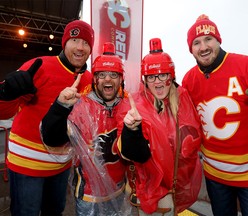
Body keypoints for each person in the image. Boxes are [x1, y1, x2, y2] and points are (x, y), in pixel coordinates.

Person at [182, 14, 248, 216]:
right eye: (196, 42)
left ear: (218, 40)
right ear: (191, 49)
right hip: (215, 177)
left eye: (208, 39)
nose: (203, 47)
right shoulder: (189, 80)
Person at [0, 20, 94, 216]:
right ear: (64, 43)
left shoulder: (89, 79)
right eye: (74, 40)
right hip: (27, 165)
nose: (80, 47)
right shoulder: (40, 65)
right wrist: (6, 93)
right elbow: (4, 112)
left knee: (55, 211)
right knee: (26, 213)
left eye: (86, 43)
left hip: (61, 166)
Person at [40, 42, 132, 216]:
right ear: (95, 78)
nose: (107, 80)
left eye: (114, 75)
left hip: (119, 191)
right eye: (101, 74)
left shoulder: (127, 106)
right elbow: (51, 139)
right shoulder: (81, 106)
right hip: (88, 196)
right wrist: (60, 107)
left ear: (121, 79)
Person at [116, 38, 203, 215]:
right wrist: (132, 130)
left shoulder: (182, 99)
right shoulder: (133, 105)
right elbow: (128, 152)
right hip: (147, 190)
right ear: (145, 79)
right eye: (152, 77)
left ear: (171, 76)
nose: (158, 82)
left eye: (163, 75)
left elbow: (192, 138)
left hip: (177, 188)